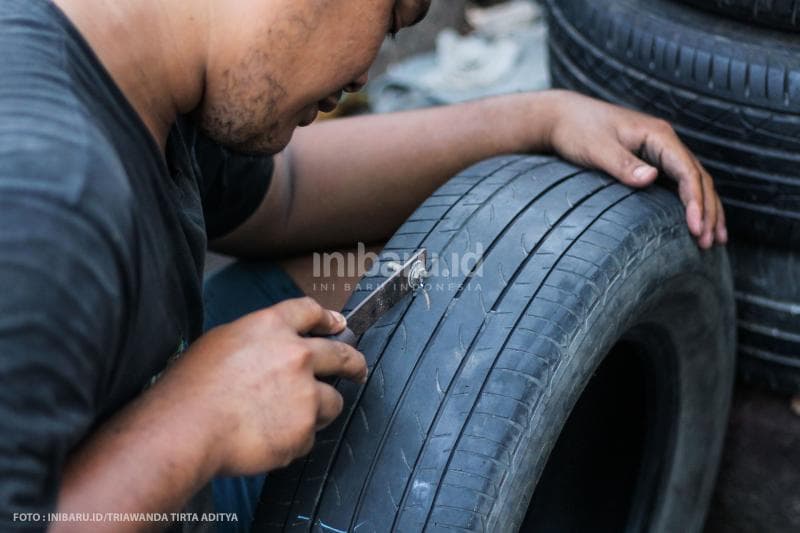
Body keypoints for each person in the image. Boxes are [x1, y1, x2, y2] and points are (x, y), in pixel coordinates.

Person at [0, 0, 727, 532]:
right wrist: (189, 426)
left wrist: (539, 119)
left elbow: (284, 194)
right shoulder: (54, 208)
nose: (363, 73)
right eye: (394, 19)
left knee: (434, 271)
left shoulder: (123, 60)